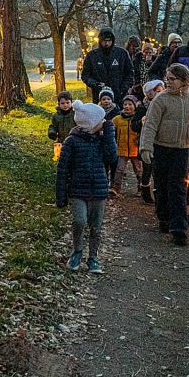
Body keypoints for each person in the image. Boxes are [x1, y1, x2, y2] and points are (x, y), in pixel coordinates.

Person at [138, 64, 189, 246]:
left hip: (181, 149)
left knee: (178, 187)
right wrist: (146, 148)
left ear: (184, 80)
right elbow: (150, 124)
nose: (168, 82)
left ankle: (179, 228)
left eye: (172, 79)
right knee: (162, 186)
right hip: (162, 147)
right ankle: (163, 217)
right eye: (167, 78)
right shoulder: (161, 99)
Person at [55, 101, 117, 274]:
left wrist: (109, 133)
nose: (104, 122)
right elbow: (62, 169)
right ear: (91, 123)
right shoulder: (72, 141)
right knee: (79, 221)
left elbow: (112, 157)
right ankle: (77, 251)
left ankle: (93, 257)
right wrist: (61, 196)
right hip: (77, 191)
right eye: (101, 120)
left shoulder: (102, 140)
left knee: (96, 226)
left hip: (99, 190)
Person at [131, 79, 165, 203]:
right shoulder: (142, 108)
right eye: (157, 91)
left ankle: (158, 194)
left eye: (161, 91)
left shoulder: (164, 105)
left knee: (158, 169)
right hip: (146, 141)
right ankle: (145, 192)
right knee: (147, 168)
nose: (160, 94)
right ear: (149, 93)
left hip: (160, 141)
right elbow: (133, 126)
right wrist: (141, 122)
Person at [81, 27, 134, 102]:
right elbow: (85, 75)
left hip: (119, 95)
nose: (107, 43)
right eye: (104, 41)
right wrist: (95, 84)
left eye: (109, 41)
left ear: (112, 41)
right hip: (99, 95)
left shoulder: (122, 53)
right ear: (100, 41)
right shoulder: (92, 55)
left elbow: (130, 73)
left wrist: (123, 88)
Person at [112, 96, 143, 194]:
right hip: (122, 149)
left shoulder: (137, 119)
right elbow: (112, 131)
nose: (127, 106)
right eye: (125, 104)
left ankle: (141, 188)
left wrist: (139, 140)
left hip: (135, 149)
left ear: (135, 106)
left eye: (130, 104)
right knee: (119, 170)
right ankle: (116, 188)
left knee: (138, 170)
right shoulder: (117, 119)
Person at [47, 91, 76, 161]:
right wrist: (52, 132)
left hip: (75, 141)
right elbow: (53, 126)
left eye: (67, 103)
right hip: (62, 141)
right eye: (62, 103)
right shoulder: (56, 116)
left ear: (71, 102)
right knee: (63, 159)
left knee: (74, 158)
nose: (65, 105)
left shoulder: (75, 114)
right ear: (59, 104)